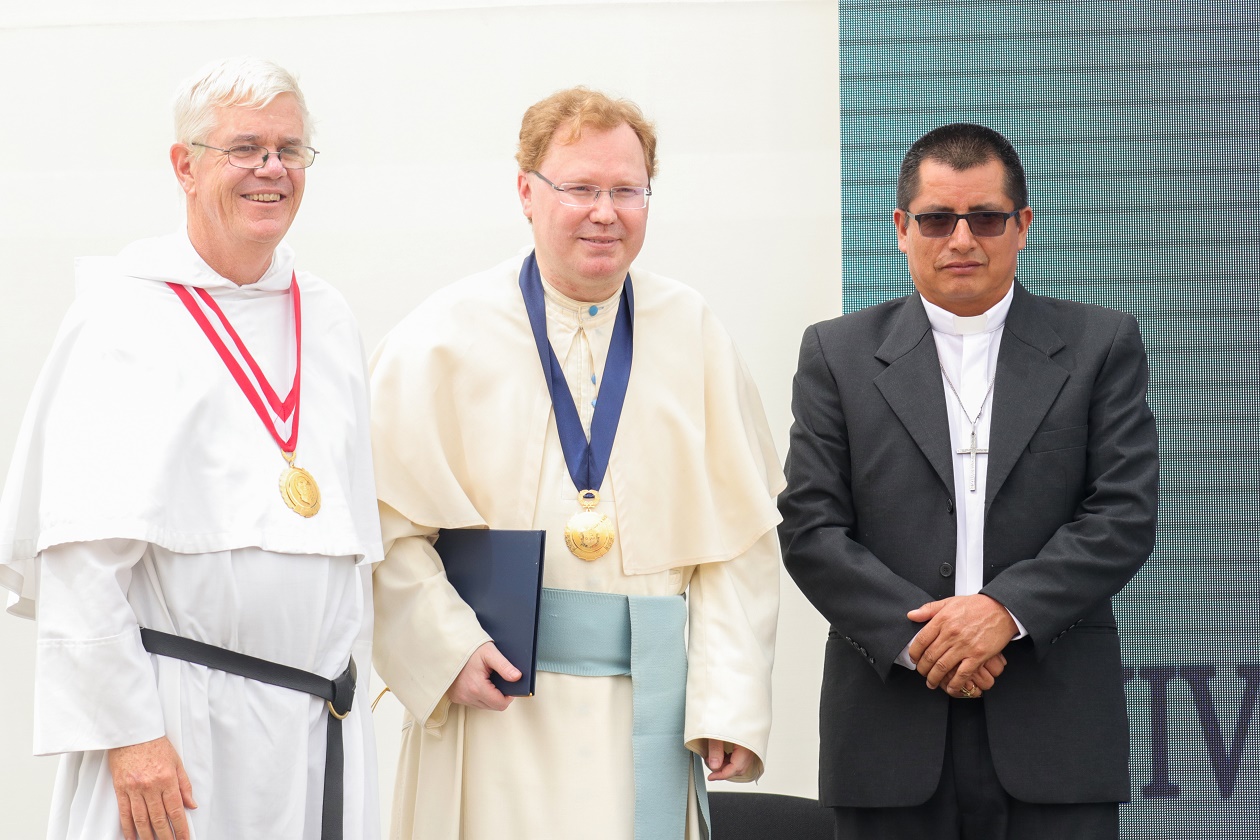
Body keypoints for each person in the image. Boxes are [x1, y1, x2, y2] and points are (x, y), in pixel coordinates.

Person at [370, 86, 783, 840]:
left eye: (626, 190)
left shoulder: (694, 333)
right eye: (581, 189)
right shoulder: (439, 338)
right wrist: (444, 648)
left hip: (648, 709)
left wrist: (727, 701)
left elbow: (741, 549)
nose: (605, 211)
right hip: (493, 703)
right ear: (526, 192)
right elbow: (384, 530)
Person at [0, 57, 382, 840]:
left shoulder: (329, 316)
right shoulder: (123, 316)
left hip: (316, 721)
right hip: (176, 725)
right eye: (245, 147)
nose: (271, 169)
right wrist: (127, 730)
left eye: (290, 149)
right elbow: (78, 555)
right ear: (184, 165)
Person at [778, 123, 1159, 839]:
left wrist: (1000, 612)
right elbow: (811, 528)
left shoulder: (1100, 345)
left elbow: (1123, 516)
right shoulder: (837, 353)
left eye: (985, 218)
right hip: (889, 728)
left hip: (1055, 729)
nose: (961, 239)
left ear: (1023, 226)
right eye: (935, 219)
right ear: (900, 228)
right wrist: (927, 638)